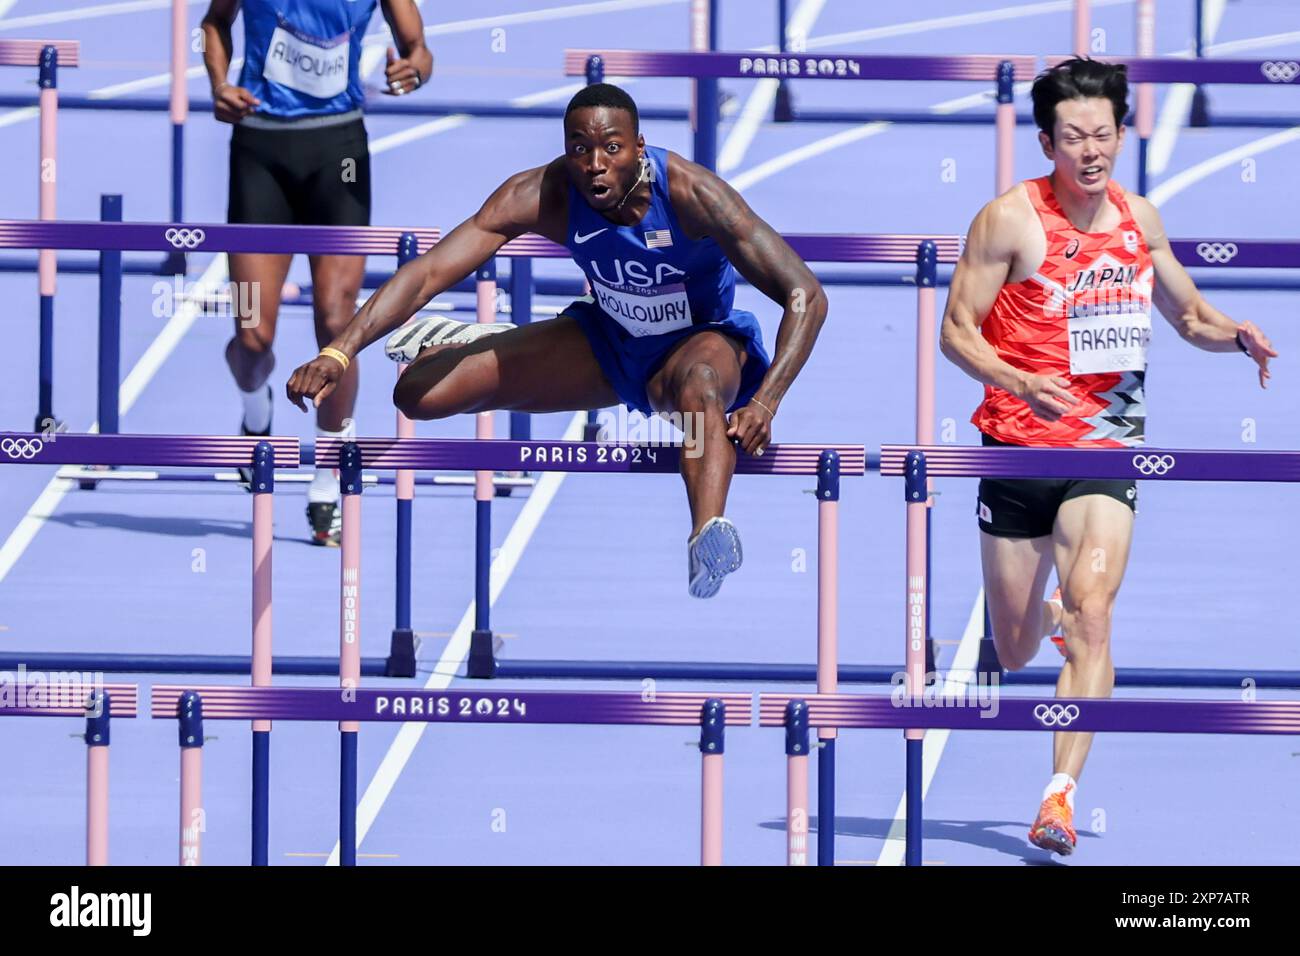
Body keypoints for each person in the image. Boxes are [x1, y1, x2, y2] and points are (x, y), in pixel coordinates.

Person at [286, 83, 827, 597]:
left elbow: (805, 294)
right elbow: (428, 273)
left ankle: (705, 536)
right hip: (607, 343)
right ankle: (484, 342)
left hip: (694, 347)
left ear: (638, 147)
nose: (595, 165)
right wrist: (341, 349)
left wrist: (764, 401)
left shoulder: (692, 195)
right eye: (580, 149)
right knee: (419, 396)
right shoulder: (544, 194)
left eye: (611, 148)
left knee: (701, 387)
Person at [939, 57, 1278, 856]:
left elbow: (1186, 312)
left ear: (1122, 133)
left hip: (1105, 446)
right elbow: (955, 332)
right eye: (1074, 137)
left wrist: (1235, 336)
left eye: (1103, 134)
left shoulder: (1140, 221)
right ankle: (1048, 620)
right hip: (1016, 450)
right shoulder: (1008, 221)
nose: (1091, 151)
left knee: (1094, 608)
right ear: (1047, 141)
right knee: (1017, 646)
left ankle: (1058, 797)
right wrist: (1019, 378)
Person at [200, 0, 432, 544]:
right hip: (260, 150)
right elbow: (214, 23)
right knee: (253, 336)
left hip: (339, 151)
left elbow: (418, 48)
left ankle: (328, 470)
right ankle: (256, 412)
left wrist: (414, 69)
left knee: (336, 323)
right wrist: (217, 82)